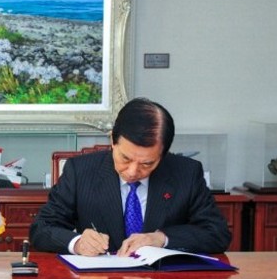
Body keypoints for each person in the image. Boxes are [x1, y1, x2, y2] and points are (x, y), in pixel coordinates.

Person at [30, 97, 230, 257]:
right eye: (125, 158)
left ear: (163, 154)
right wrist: (77, 242)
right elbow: (41, 229)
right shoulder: (81, 171)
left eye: (147, 163)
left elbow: (217, 234)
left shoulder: (186, 173)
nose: (133, 171)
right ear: (112, 141)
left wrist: (161, 238)